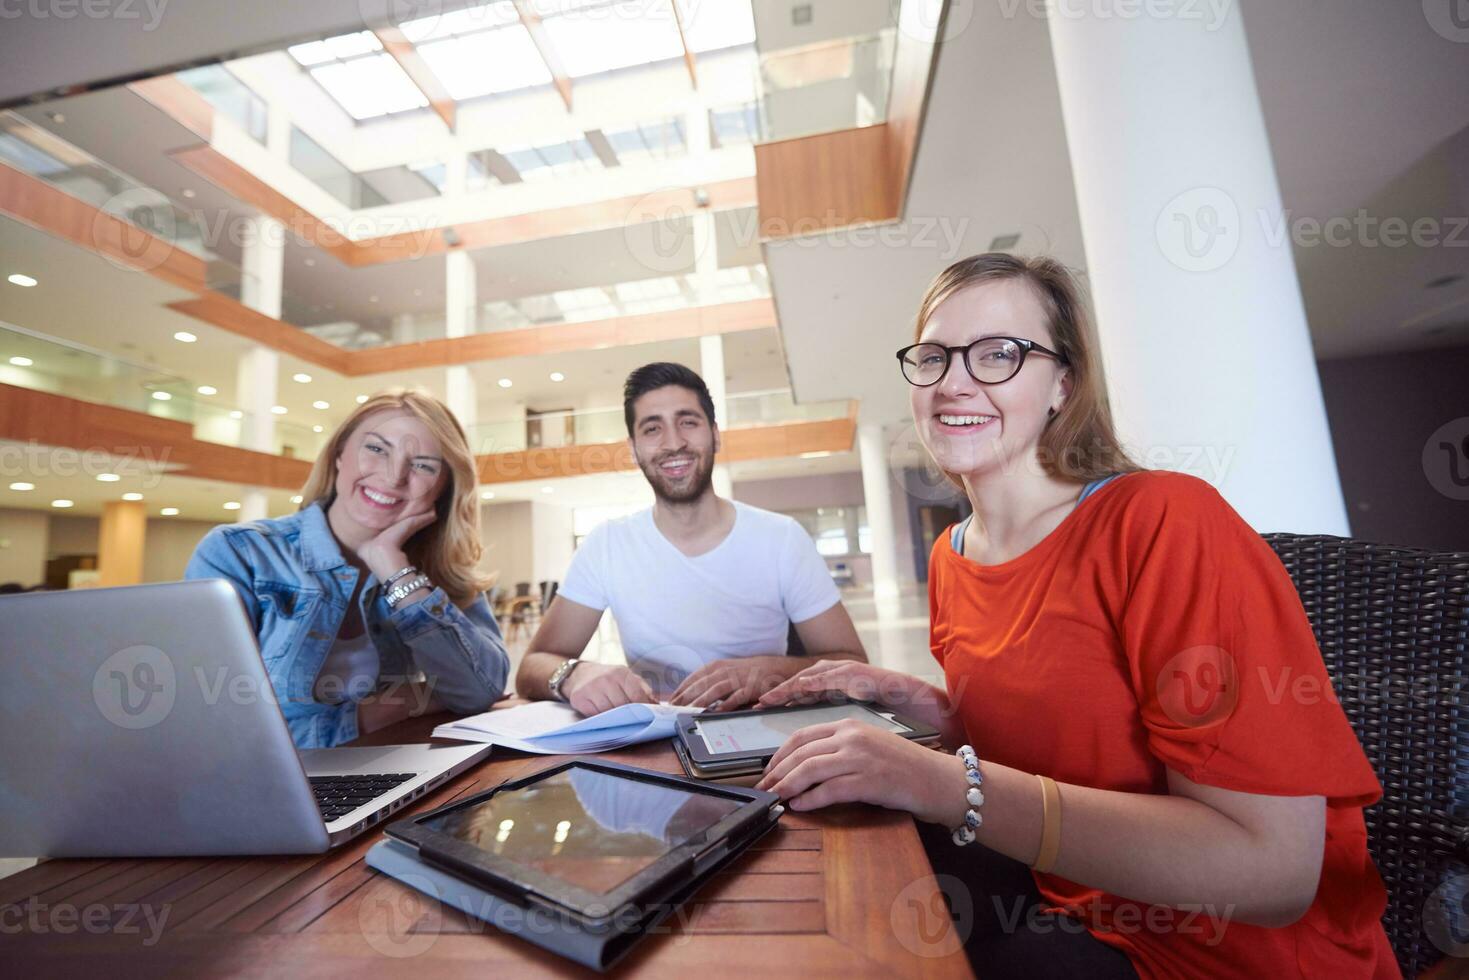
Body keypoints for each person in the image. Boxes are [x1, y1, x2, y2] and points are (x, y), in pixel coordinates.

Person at [753, 254, 1395, 978]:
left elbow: (1271, 872)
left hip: (1221, 953)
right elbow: (1067, 742)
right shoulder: (951, 554)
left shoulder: (1163, 520)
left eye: (998, 354)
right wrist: (936, 713)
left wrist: (942, 783)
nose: (953, 381)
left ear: (1062, 384)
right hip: (1067, 892)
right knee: (839, 883)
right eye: (933, 357)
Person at [515, 362, 868, 715]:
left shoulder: (782, 538)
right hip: (655, 743)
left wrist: (770, 671)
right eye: (652, 428)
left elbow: (853, 665)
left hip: (762, 741)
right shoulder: (607, 544)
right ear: (634, 448)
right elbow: (533, 665)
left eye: (688, 422)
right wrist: (575, 674)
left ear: (715, 434)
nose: (673, 443)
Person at [187, 387, 510, 749]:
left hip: (388, 776)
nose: (393, 477)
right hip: (263, 788)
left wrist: (395, 569)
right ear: (340, 453)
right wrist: (386, 708)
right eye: (376, 449)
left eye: (422, 465)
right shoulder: (240, 553)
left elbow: (479, 692)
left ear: (443, 489)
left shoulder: (433, 573)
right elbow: (208, 723)